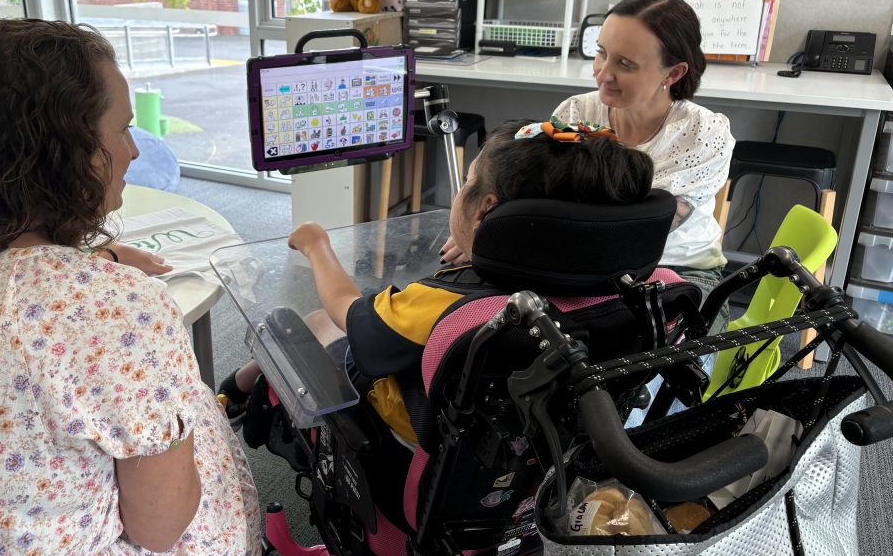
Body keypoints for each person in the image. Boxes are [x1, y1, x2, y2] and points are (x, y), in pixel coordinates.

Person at [0, 19, 260, 556]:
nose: (132, 151)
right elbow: (159, 528)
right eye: (122, 130)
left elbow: (9, 305)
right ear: (62, 152)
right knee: (193, 454)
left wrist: (89, 263)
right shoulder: (118, 310)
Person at [219, 118, 654, 444]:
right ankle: (236, 391)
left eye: (466, 183)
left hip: (410, 430)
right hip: (541, 437)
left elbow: (348, 313)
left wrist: (317, 246)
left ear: (484, 211)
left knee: (308, 321)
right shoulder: (633, 292)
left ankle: (233, 395)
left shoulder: (440, 307)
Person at [550, 0, 735, 316]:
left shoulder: (704, 134)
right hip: (580, 264)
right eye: (601, 53)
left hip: (679, 272)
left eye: (625, 64)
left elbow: (636, 231)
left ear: (673, 73)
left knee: (639, 360)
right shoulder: (576, 113)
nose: (603, 74)